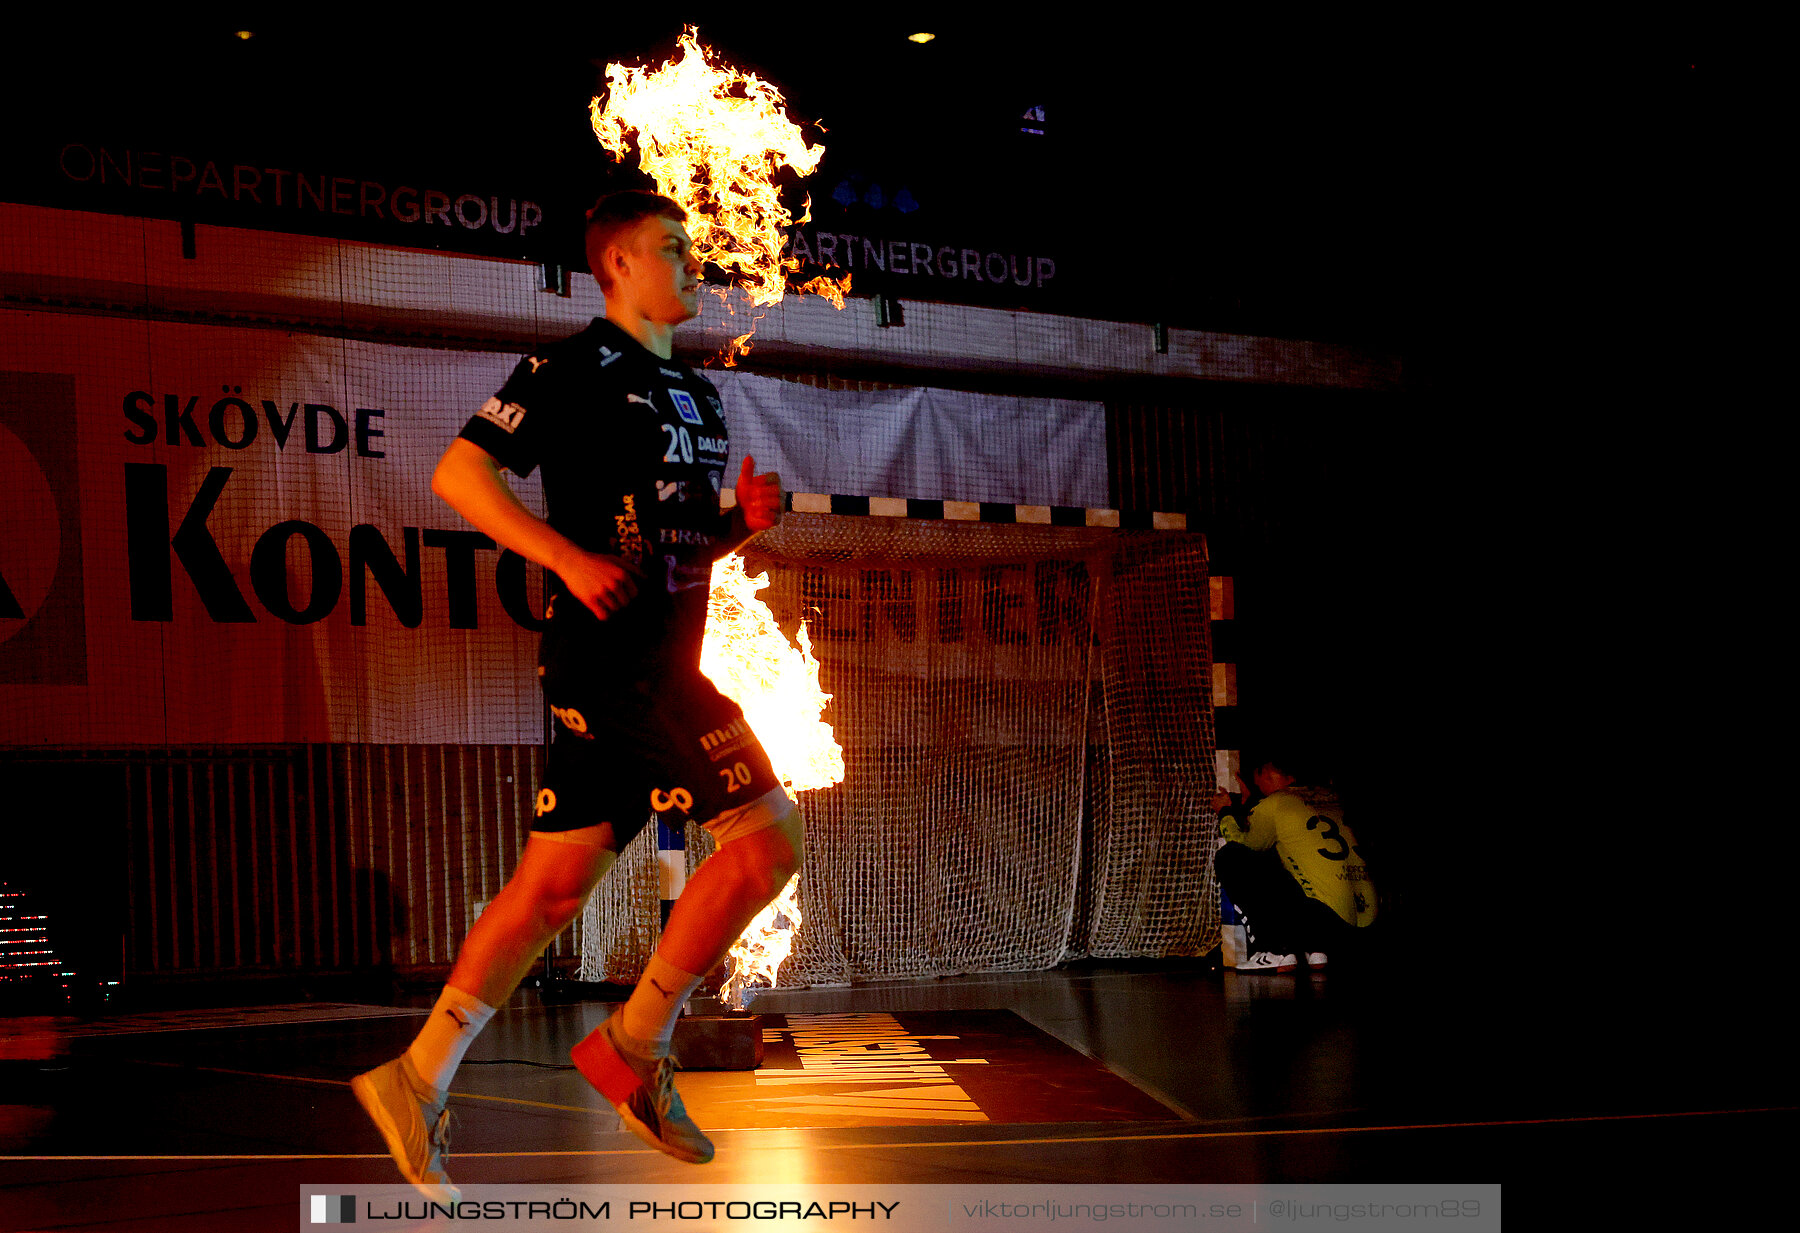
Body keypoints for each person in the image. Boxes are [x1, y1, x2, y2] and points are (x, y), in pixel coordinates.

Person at [352, 191, 802, 1202]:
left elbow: (669, 543)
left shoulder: (698, 393)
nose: (695, 264)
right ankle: (635, 1046)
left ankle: (414, 1077)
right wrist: (562, 555)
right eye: (673, 250)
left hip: (656, 658)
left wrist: (737, 527)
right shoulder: (569, 369)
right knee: (771, 843)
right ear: (617, 269)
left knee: (552, 891)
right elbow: (460, 475)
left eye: (693, 250)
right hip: (618, 667)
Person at [1212, 748, 1375, 972]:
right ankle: (1317, 950)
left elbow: (1243, 845)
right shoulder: (1328, 800)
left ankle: (1275, 950)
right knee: (1294, 865)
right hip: (1361, 930)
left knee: (1230, 857)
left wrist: (1225, 812)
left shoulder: (1277, 802)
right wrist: (1252, 806)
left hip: (1325, 921)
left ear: (1266, 775)